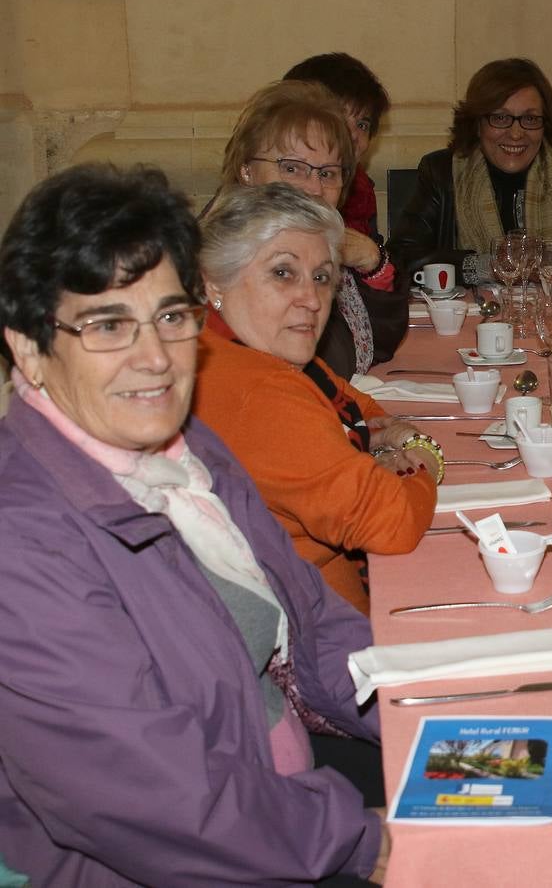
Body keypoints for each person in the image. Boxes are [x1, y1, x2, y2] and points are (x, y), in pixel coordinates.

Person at [0, 164, 386, 885]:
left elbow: (312, 616)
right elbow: (152, 802)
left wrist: (420, 717)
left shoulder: (183, 447)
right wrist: (365, 843)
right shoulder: (20, 541)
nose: (156, 359)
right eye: (109, 323)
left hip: (282, 793)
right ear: (27, 346)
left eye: (172, 317)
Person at [193, 183, 439, 616]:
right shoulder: (261, 392)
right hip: (319, 630)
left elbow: (361, 408)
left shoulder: (242, 351)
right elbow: (391, 521)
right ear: (216, 281)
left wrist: (363, 445)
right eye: (283, 273)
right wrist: (426, 456)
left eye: (322, 277)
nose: (310, 299)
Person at [387, 57, 552, 285]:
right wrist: (486, 267)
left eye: (529, 119)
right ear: (477, 124)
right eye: (500, 118)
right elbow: (401, 256)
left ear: (545, 125)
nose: (516, 133)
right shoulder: (442, 173)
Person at [220, 79, 407, 378]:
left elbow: (378, 343)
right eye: (291, 167)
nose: (313, 187)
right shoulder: (228, 257)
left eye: (327, 172)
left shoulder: (318, 244)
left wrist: (375, 265)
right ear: (246, 170)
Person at [284, 52, 393, 241]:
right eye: (338, 118)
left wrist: (374, 260)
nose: (352, 135)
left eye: (362, 125)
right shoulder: (263, 200)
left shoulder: (360, 190)